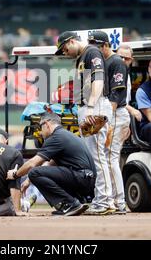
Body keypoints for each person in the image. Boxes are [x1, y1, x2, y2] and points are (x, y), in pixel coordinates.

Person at [54, 31, 114, 215]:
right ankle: (104, 200)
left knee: (97, 156)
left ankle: (105, 202)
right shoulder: (83, 56)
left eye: (65, 48)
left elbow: (98, 81)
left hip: (94, 106)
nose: (65, 52)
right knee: (95, 156)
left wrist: (90, 106)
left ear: (72, 41)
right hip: (90, 105)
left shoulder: (91, 52)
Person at [6, 113, 96, 216]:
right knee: (36, 173)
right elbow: (49, 164)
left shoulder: (56, 137)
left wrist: (15, 174)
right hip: (87, 181)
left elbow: (32, 164)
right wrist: (28, 181)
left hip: (82, 178)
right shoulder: (65, 135)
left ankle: (69, 204)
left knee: (34, 172)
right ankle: (75, 202)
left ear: (47, 124)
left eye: (41, 127)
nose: (40, 132)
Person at [88, 31, 129, 215]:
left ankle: (119, 202)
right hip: (111, 114)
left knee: (111, 159)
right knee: (107, 158)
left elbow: (116, 95)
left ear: (105, 45)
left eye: (96, 45)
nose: (93, 49)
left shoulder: (116, 62)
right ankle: (114, 201)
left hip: (116, 114)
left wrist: (108, 121)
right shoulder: (104, 62)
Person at [116, 44, 143, 122]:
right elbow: (113, 100)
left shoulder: (126, 75)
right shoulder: (110, 74)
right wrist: (132, 110)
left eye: (126, 58)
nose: (123, 60)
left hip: (122, 116)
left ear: (131, 60)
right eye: (120, 57)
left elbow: (125, 101)